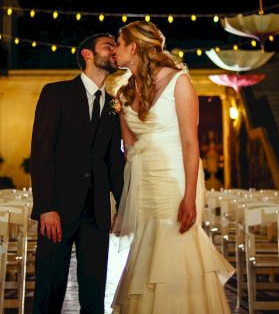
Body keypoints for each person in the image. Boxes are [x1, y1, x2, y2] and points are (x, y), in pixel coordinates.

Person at [112, 21, 234, 313]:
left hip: (174, 180)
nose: (114, 51)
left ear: (133, 47)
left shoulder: (179, 81)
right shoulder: (125, 91)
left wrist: (189, 195)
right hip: (144, 182)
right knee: (148, 249)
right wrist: (119, 109)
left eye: (118, 44)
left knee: (175, 246)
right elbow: (129, 148)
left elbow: (191, 144)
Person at [30, 33, 126, 314]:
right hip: (57, 210)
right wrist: (46, 207)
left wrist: (121, 206)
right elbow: (41, 153)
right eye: (108, 46)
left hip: (97, 213)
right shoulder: (55, 93)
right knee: (49, 291)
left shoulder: (113, 104)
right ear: (87, 54)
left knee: (94, 297)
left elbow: (114, 162)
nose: (114, 51)